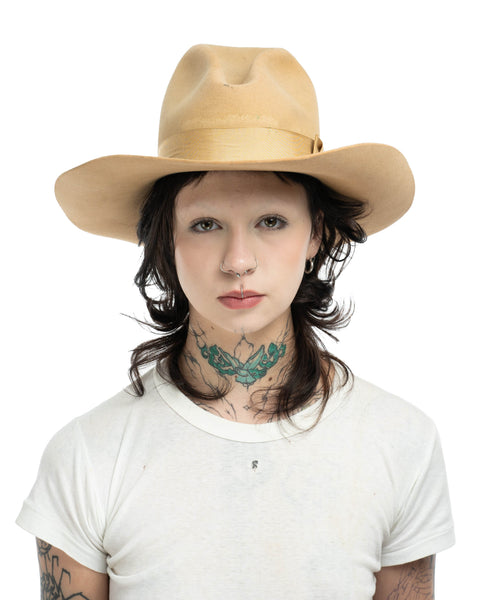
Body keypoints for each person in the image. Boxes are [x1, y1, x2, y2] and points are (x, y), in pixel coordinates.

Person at [16, 44, 454, 599]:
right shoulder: (88, 454)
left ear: (317, 233)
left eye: (271, 221)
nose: (238, 260)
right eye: (205, 224)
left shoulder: (401, 442)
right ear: (165, 239)